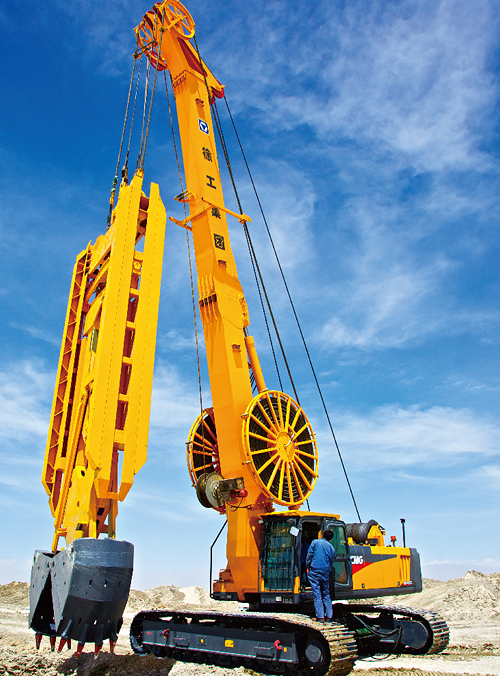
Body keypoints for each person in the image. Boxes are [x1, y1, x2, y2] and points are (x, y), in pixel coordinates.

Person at [306, 529, 335, 622]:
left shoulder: (315, 542)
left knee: (317, 594)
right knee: (326, 594)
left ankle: (320, 616)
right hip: (325, 572)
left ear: (323, 534)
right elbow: (331, 561)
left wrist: (307, 567)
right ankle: (329, 616)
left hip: (314, 571)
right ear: (331, 538)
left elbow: (309, 555)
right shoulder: (331, 547)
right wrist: (327, 569)